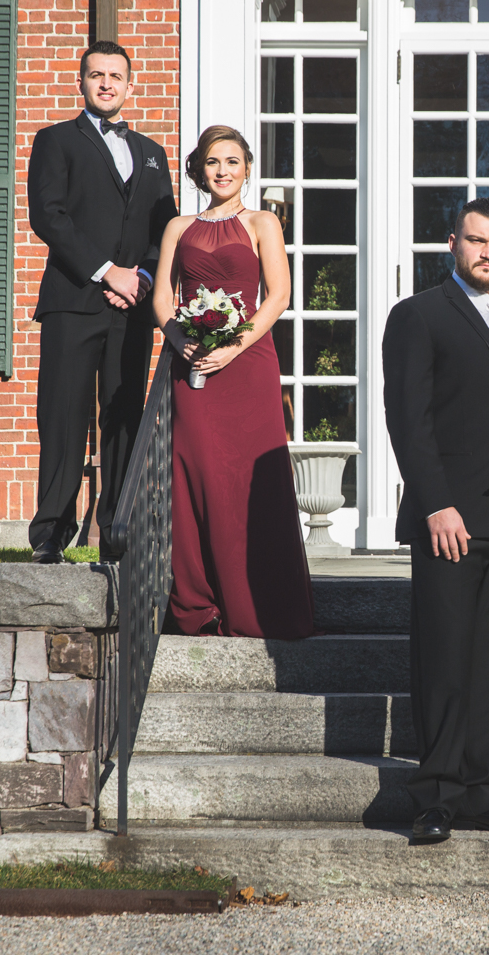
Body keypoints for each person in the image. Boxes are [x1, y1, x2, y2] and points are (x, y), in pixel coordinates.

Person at [381, 197, 489, 844]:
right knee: (444, 657)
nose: (488, 253)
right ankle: (437, 794)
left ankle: (483, 792)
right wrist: (434, 502)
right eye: (477, 241)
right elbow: (408, 418)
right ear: (453, 243)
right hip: (448, 517)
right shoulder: (418, 315)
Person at [149, 126, 316, 639]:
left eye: (232, 161)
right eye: (212, 162)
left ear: (246, 169)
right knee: (198, 475)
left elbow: (278, 295)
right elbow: (162, 299)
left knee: (250, 480)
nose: (222, 171)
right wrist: (181, 341)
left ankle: (261, 604)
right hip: (194, 364)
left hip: (248, 365)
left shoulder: (263, 222)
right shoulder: (178, 227)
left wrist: (233, 347)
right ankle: (200, 604)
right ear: (199, 170)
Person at [27, 40, 177, 564]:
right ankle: (51, 533)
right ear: (81, 83)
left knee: (124, 416)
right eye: (97, 75)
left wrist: (142, 277)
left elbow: (166, 228)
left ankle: (116, 531)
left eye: (116, 76)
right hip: (73, 301)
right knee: (63, 416)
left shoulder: (154, 153)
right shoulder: (55, 140)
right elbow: (48, 216)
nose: (107, 83)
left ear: (130, 86)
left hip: (132, 308)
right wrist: (107, 271)